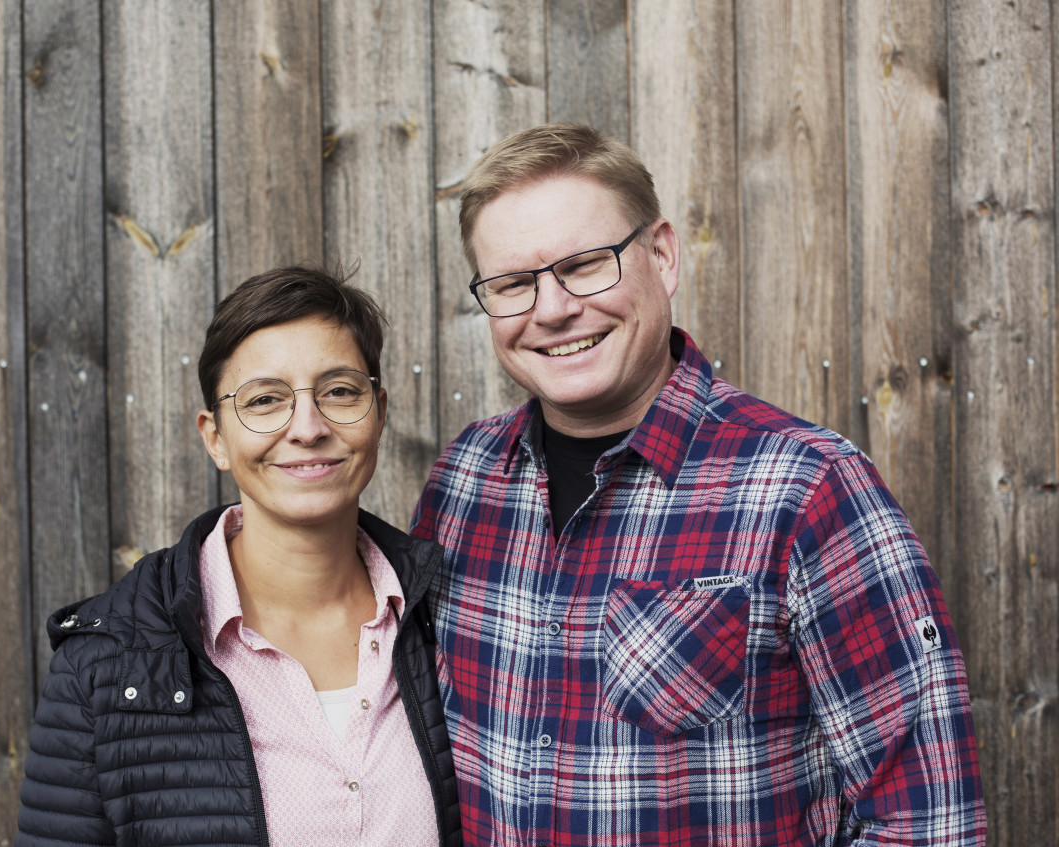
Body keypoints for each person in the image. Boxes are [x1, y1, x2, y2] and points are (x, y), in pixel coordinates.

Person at [412, 123, 985, 846]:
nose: (552, 309)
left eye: (585, 265)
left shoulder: (806, 490)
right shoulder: (463, 484)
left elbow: (926, 819)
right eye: (513, 284)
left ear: (663, 256)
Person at [17, 266, 462, 846]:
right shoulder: (103, 667)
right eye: (265, 400)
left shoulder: (448, 621)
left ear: (379, 412)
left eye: (340, 391)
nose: (307, 427)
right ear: (215, 438)